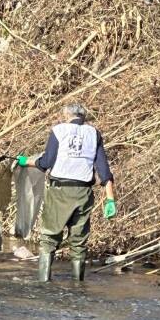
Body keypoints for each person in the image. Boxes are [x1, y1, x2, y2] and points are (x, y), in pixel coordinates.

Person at [16, 103, 116, 282]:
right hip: (83, 194)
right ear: (84, 117)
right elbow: (104, 171)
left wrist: (26, 161)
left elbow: (46, 162)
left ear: (66, 115)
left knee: (49, 239)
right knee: (78, 243)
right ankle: (78, 287)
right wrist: (110, 200)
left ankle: (44, 284)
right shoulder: (94, 134)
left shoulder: (59, 130)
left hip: (59, 192)